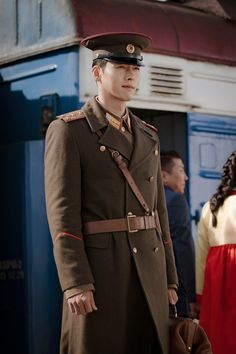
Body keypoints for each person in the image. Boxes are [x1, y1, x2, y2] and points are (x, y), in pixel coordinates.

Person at [45, 32, 178, 354]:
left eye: (135, 68)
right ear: (96, 73)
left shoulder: (148, 135)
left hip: (150, 267)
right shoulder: (69, 130)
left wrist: (171, 278)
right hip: (102, 270)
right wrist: (75, 281)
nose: (131, 75)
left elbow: (159, 214)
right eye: (120, 67)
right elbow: (62, 213)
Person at [196, 150, 236, 354]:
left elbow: (201, 256)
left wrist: (200, 294)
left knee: (217, 338)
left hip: (216, 280)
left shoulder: (209, 208)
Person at [161, 151, 196, 317]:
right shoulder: (175, 201)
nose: (186, 177)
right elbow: (182, 249)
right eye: (181, 170)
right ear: (163, 176)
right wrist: (191, 296)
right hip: (175, 291)